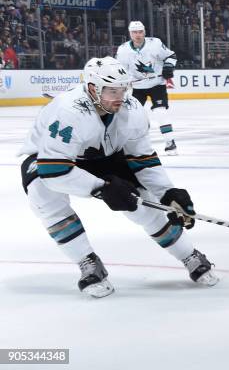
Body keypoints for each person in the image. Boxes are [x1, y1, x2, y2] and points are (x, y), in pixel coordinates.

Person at [18, 57, 218, 298]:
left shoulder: (132, 110)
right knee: (42, 195)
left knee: (143, 205)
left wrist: (167, 192)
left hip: (105, 156)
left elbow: (143, 159)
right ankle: (87, 262)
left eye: (123, 89)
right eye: (112, 90)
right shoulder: (68, 111)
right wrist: (102, 188)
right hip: (48, 159)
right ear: (93, 88)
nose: (120, 96)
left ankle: (189, 255)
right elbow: (53, 170)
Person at [116, 21, 179, 155]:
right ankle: (128, 144)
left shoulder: (155, 44)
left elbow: (171, 56)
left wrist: (168, 66)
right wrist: (122, 84)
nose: (138, 35)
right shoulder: (123, 50)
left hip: (157, 84)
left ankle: (170, 142)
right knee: (131, 115)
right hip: (137, 87)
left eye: (140, 32)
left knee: (160, 112)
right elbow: (121, 70)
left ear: (144, 32)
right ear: (130, 33)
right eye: (134, 32)